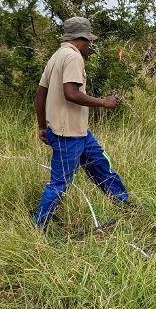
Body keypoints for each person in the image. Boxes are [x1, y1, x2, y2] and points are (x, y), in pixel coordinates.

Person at [33, 16, 130, 229]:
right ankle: (37, 229)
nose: (89, 45)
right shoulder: (73, 57)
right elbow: (71, 93)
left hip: (78, 132)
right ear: (82, 38)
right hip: (67, 134)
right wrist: (104, 102)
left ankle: (125, 206)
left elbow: (40, 94)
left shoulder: (57, 56)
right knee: (59, 184)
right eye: (89, 41)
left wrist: (42, 126)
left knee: (102, 167)